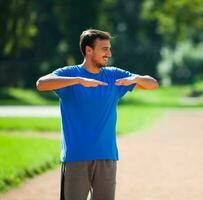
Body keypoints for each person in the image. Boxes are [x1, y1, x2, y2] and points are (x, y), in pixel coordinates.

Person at [36, 29, 159, 200]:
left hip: (107, 156)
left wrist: (136, 78)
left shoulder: (114, 75)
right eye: (104, 49)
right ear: (89, 50)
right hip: (76, 157)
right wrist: (78, 80)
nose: (109, 53)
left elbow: (153, 84)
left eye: (109, 48)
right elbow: (41, 84)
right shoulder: (69, 73)